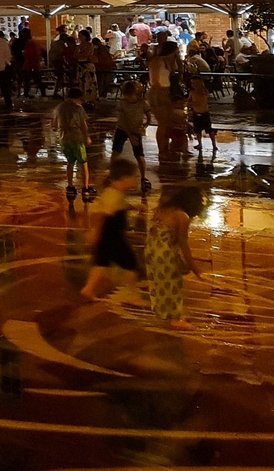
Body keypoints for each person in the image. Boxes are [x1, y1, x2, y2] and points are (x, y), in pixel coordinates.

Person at [81, 158, 142, 301]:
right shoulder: (113, 196)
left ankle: (89, 288)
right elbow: (102, 215)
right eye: (134, 177)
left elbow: (120, 205)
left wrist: (134, 207)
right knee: (130, 263)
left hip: (106, 236)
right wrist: (95, 232)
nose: (135, 180)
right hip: (113, 237)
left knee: (101, 263)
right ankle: (132, 294)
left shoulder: (113, 192)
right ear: (124, 178)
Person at [145, 187, 207, 329]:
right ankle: (175, 318)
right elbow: (183, 243)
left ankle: (163, 313)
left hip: (151, 251)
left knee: (159, 283)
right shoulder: (182, 216)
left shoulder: (161, 210)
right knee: (173, 285)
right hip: (166, 254)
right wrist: (193, 266)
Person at [112, 80, 152, 192]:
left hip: (135, 130)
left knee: (139, 155)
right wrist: (130, 134)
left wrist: (144, 126)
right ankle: (113, 174)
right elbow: (122, 120)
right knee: (115, 152)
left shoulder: (143, 103)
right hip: (123, 129)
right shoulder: (122, 103)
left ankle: (143, 177)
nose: (128, 98)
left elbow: (149, 116)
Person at [54, 87, 91, 202]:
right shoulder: (78, 109)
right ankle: (85, 187)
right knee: (83, 163)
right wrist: (87, 137)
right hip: (77, 138)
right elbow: (83, 125)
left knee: (70, 162)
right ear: (77, 98)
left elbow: (54, 123)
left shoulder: (59, 107)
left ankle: (70, 186)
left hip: (64, 139)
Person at [188, 76, 217, 155]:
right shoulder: (192, 92)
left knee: (209, 130)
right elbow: (189, 101)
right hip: (196, 113)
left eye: (194, 83)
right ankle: (200, 143)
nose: (193, 85)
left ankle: (214, 144)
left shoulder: (204, 92)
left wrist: (191, 104)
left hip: (204, 113)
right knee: (197, 130)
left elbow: (200, 102)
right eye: (192, 83)